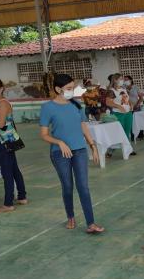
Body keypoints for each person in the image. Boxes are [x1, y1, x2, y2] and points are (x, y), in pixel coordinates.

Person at [39, 73, 104, 234]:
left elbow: (83, 126)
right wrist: (60, 142)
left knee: (83, 187)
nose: (72, 91)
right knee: (68, 186)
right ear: (57, 89)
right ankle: (70, 216)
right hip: (60, 153)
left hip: (80, 150)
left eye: (73, 88)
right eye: (68, 88)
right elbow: (44, 134)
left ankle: (91, 223)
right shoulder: (47, 108)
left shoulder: (76, 105)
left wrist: (93, 146)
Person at [0, 78, 28, 213]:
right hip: (4, 139)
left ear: (1, 88)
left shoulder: (2, 103)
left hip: (4, 141)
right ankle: (22, 196)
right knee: (14, 169)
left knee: (7, 172)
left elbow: (0, 124)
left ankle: (8, 203)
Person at [106, 73, 133, 143]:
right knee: (120, 132)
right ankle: (112, 150)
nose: (122, 81)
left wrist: (131, 104)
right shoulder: (111, 91)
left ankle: (127, 148)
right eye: (121, 79)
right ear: (115, 80)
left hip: (128, 113)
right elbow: (108, 102)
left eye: (122, 79)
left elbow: (127, 99)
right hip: (119, 114)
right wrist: (119, 106)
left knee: (127, 131)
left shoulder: (123, 89)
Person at [124, 75, 144, 141]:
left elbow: (141, 98)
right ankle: (133, 136)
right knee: (131, 122)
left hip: (136, 107)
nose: (125, 81)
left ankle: (140, 136)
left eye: (127, 79)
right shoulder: (123, 88)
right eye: (125, 80)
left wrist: (137, 105)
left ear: (131, 80)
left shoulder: (135, 87)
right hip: (128, 108)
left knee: (138, 121)